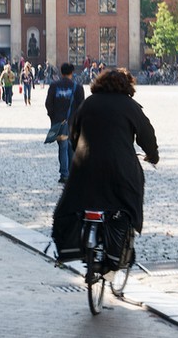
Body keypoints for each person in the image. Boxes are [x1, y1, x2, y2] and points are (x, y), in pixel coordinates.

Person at [52, 69, 158, 251]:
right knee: (132, 190)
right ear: (127, 85)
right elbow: (147, 135)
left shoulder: (88, 104)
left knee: (77, 195)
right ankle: (126, 226)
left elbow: (74, 134)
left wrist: (79, 151)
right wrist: (152, 155)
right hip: (120, 166)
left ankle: (73, 242)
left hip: (87, 165)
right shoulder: (130, 106)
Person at [45, 63, 85, 184]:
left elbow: (48, 104)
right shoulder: (77, 87)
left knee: (62, 147)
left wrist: (53, 117)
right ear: (72, 72)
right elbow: (81, 106)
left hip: (59, 122)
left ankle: (64, 174)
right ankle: (71, 172)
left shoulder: (54, 86)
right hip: (72, 122)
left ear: (61, 72)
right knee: (71, 147)